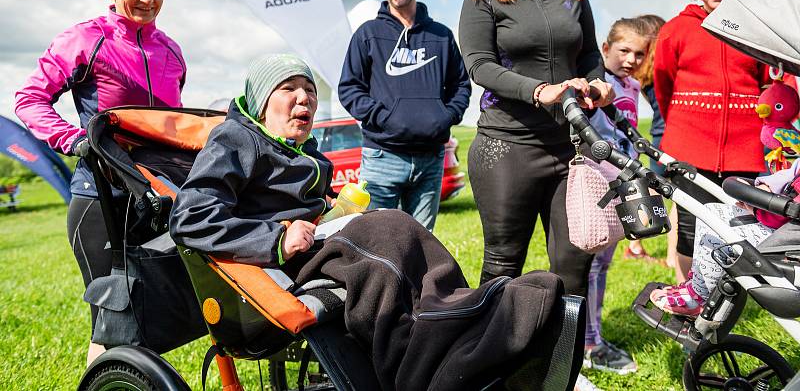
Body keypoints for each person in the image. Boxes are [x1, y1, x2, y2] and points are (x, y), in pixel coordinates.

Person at [171, 54, 570, 391]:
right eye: (288, 88)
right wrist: (276, 237)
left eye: (308, 90)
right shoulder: (236, 139)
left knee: (399, 228)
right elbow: (190, 217)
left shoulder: (300, 151)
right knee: (388, 234)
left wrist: (336, 210)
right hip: (274, 261)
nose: (303, 98)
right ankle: (432, 366)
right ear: (260, 101)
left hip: (316, 240)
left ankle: (469, 326)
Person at [14, 0, 185, 364]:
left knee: (159, 317)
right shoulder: (84, 39)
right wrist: (73, 139)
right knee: (112, 326)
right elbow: (29, 99)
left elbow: (173, 126)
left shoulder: (172, 52)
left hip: (156, 198)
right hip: (100, 201)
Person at [458, 0, 614, 293]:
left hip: (570, 147)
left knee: (574, 266)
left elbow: (589, 55)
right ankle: (492, 356)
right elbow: (479, 65)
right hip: (507, 147)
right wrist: (538, 90)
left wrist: (597, 86)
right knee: (503, 267)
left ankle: (562, 358)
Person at [654, 0, 767, 283]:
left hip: (745, 153)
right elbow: (664, 86)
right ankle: (689, 298)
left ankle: (725, 299)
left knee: (739, 230)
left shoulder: (759, 29)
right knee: (689, 229)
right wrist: (684, 130)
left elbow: (772, 86)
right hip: (688, 150)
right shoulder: (676, 29)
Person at [338, 0, 471, 231]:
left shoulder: (441, 36)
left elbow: (461, 85)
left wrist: (445, 117)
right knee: (377, 239)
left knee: (424, 242)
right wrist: (383, 117)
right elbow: (349, 88)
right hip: (382, 157)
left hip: (430, 158)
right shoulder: (368, 34)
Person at [583, 18, 652, 375]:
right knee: (591, 264)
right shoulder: (598, 84)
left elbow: (627, 131)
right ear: (606, 49)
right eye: (624, 50)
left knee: (604, 264)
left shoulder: (634, 85)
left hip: (623, 179)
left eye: (639, 53)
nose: (631, 59)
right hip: (597, 181)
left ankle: (591, 335)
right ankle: (588, 341)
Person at [649, 164, 793, 316]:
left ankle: (700, 298)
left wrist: (757, 208)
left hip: (784, 231)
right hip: (781, 217)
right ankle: (697, 283)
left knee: (718, 234)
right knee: (710, 211)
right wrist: (763, 186)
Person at [624, 14, 668, 264]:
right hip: (666, 137)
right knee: (660, 193)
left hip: (657, 135)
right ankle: (638, 246)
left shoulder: (645, 71)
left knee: (651, 190)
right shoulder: (658, 69)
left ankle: (635, 244)